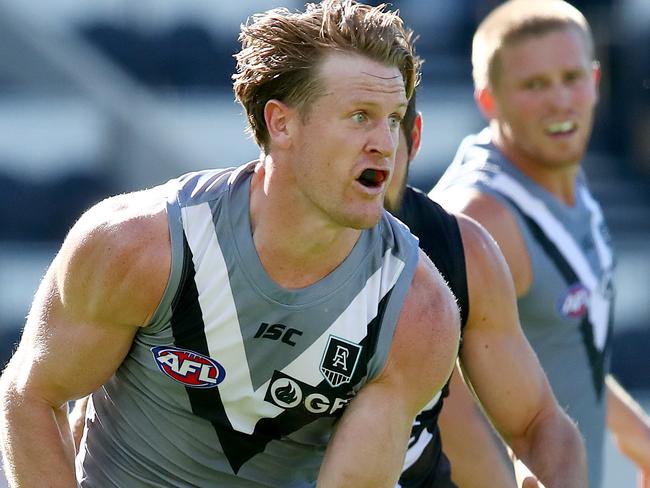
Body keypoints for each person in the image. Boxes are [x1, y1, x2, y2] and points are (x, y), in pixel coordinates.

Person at [0, 2, 463, 486]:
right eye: (359, 116)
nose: (386, 144)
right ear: (281, 124)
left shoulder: (418, 312)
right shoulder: (137, 245)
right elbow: (31, 395)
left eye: (393, 118)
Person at [429, 1, 650, 487]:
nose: (560, 101)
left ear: (596, 81)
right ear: (488, 100)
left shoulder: (558, 170)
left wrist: (639, 439)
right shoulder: (481, 217)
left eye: (571, 77)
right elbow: (435, 397)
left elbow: (559, 341)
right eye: (534, 85)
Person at [387, 93, 586, 488]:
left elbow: (536, 422)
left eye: (391, 121)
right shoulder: (232, 246)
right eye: (355, 118)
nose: (374, 143)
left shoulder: (458, 249)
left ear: (415, 135)